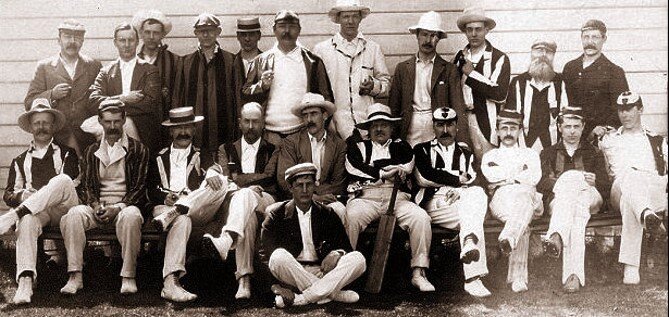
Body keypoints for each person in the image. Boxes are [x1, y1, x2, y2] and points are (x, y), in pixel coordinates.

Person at [59, 99, 149, 295]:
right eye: (107, 122)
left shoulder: (138, 150)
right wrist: (95, 205)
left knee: (132, 216)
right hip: (98, 207)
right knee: (73, 214)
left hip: (125, 207)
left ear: (124, 119)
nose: (113, 126)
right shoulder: (91, 151)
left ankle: (128, 276)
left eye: (117, 121)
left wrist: (118, 207)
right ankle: (75, 275)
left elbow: (139, 188)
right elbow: (86, 186)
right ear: (100, 121)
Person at [345, 103, 435, 292]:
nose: (379, 129)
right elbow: (353, 167)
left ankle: (419, 272)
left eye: (384, 124)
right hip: (366, 197)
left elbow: (407, 165)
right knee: (352, 216)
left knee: (420, 217)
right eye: (374, 125)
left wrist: (374, 169)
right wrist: (383, 172)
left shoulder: (402, 145)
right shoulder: (357, 146)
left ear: (392, 128)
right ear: (368, 129)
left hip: (397, 198)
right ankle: (345, 274)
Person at [0, 99, 79, 304]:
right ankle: (25, 282)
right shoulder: (20, 159)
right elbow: (9, 194)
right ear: (31, 128)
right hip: (40, 213)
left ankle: (14, 216)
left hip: (66, 210)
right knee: (26, 220)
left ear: (53, 126)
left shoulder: (67, 153)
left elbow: (71, 185)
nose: (41, 127)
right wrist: (22, 196)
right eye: (37, 123)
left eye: (46, 123)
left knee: (61, 180)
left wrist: (34, 198)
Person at [200, 102, 280, 300]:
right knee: (248, 218)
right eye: (247, 121)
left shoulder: (273, 149)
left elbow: (269, 177)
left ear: (263, 124)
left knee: (244, 195)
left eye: (255, 122)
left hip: (265, 198)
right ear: (239, 123)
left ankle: (226, 240)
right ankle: (244, 280)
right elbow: (225, 179)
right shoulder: (225, 149)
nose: (251, 126)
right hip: (238, 202)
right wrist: (244, 182)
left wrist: (239, 179)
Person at [261, 163, 366, 308]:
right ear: (291, 188)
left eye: (309, 184)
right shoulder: (276, 215)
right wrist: (275, 287)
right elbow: (263, 255)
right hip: (292, 272)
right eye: (299, 185)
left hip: (323, 271)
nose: (305, 190)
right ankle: (333, 294)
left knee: (358, 259)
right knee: (278, 256)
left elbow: (345, 246)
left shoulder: (327, 213)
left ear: (314, 186)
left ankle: (303, 298)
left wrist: (337, 253)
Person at [412, 107, 491, 297]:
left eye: (449, 125)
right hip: (434, 201)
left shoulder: (465, 151)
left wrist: (459, 190)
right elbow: (424, 177)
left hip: (460, 200)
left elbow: (474, 178)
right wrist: (457, 179)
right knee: (473, 207)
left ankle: (469, 242)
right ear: (433, 127)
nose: (445, 130)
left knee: (477, 194)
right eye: (440, 125)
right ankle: (473, 277)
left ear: (456, 126)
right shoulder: (421, 149)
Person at [538, 107, 610, 293]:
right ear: (559, 127)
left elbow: (605, 185)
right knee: (577, 215)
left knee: (572, 182)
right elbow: (541, 183)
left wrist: (595, 181)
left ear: (583, 127)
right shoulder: (548, 153)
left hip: (591, 198)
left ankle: (556, 234)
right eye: (567, 126)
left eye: (576, 126)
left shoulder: (593, 152)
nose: (572, 131)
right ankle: (573, 276)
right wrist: (563, 182)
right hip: (562, 202)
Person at [598, 91, 667, 285]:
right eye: (621, 110)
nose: (625, 115)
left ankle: (631, 267)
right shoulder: (609, 139)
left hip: (651, 190)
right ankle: (647, 214)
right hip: (619, 191)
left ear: (641, 110)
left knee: (632, 202)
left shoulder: (656, 140)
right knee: (630, 175)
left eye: (629, 109)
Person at [242, 10, 333, 146]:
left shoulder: (313, 61)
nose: (287, 31)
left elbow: (327, 98)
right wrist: (262, 86)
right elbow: (244, 93)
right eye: (282, 26)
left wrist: (317, 129)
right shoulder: (260, 61)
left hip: (302, 133)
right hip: (268, 134)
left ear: (299, 30)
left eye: (292, 26)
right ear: (274, 30)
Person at [146, 107, 206, 302]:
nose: (183, 132)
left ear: (194, 130)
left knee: (184, 215)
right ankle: (171, 283)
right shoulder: (158, 157)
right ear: (171, 131)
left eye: (187, 127)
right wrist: (165, 197)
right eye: (178, 128)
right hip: (164, 209)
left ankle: (170, 283)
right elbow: (150, 188)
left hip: (193, 207)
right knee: (182, 220)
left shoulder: (203, 155)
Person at [481, 109, 542, 293]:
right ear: (498, 131)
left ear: (520, 131)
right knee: (521, 219)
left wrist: (506, 178)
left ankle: (508, 237)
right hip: (502, 199)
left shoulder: (531, 154)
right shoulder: (490, 156)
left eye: (513, 128)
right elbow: (491, 176)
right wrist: (518, 173)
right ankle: (518, 278)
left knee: (523, 198)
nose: (508, 133)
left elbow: (534, 177)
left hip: (529, 196)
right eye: (504, 128)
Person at [312, 0, 390, 141]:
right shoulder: (322, 50)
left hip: (366, 125)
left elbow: (386, 84)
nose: (350, 21)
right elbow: (316, 90)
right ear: (338, 19)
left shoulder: (373, 48)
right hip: (334, 127)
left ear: (360, 18)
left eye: (354, 16)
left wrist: (374, 86)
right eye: (346, 17)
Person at [388, 11, 467, 147]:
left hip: (437, 126)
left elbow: (458, 107)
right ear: (417, 36)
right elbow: (394, 106)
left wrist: (462, 141)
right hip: (410, 126)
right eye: (424, 34)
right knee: (409, 165)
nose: (428, 40)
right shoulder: (402, 68)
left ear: (439, 39)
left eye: (433, 36)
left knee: (434, 165)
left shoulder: (449, 70)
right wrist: (393, 138)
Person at [24, 19, 102, 156]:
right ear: (58, 40)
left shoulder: (93, 65)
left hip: (89, 135)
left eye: (77, 37)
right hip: (58, 136)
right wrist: (51, 94)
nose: (72, 41)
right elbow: (29, 102)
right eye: (67, 37)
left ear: (83, 41)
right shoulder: (45, 67)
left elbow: (101, 99)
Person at [89, 22, 162, 155]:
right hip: (111, 132)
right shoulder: (106, 71)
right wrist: (124, 98)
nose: (127, 45)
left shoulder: (149, 70)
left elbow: (150, 103)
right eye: (122, 40)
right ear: (115, 42)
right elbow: (93, 101)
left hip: (142, 131)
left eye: (131, 40)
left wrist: (111, 109)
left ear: (137, 42)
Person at [172, 13, 237, 155]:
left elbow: (236, 98)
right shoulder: (185, 63)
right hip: (195, 134)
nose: (206, 35)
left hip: (223, 131)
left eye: (211, 30)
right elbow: (178, 99)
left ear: (218, 32)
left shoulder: (231, 61)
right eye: (202, 31)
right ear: (196, 33)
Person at [276, 93, 347, 220]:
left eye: (313, 114)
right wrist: (313, 196)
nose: (309, 120)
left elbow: (338, 183)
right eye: (305, 115)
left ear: (325, 115)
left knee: (340, 210)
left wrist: (319, 197)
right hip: (297, 199)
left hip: (327, 200)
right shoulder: (291, 142)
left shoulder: (339, 144)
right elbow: (284, 178)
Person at [453, 6, 511, 157]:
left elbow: (500, 94)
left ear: (486, 30)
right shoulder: (459, 57)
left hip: (487, 121)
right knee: (465, 164)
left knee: (488, 163)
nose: (473, 34)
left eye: (478, 29)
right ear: (465, 32)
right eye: (469, 29)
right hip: (463, 121)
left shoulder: (499, 58)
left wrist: (471, 74)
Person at [563, 19, 629, 139]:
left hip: (599, 137)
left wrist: (604, 128)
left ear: (604, 39)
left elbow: (620, 109)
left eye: (595, 37)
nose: (590, 42)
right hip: (572, 134)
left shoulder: (614, 71)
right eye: (586, 37)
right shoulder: (570, 68)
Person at [505, 38, 568, 152]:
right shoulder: (519, 82)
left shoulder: (560, 82)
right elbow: (511, 118)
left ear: (553, 56)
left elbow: (566, 117)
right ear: (531, 53)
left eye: (548, 52)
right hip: (523, 145)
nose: (543, 55)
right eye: (539, 50)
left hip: (553, 146)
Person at [132, 9, 181, 148]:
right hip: (138, 125)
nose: (151, 36)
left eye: (156, 32)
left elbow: (177, 95)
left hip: (164, 125)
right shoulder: (133, 61)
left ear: (162, 35)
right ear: (141, 33)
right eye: (147, 32)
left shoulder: (174, 61)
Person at [233, 17, 264, 109]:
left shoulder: (267, 62)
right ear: (238, 36)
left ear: (259, 36)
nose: (247, 39)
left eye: (251, 34)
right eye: (243, 35)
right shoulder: (231, 63)